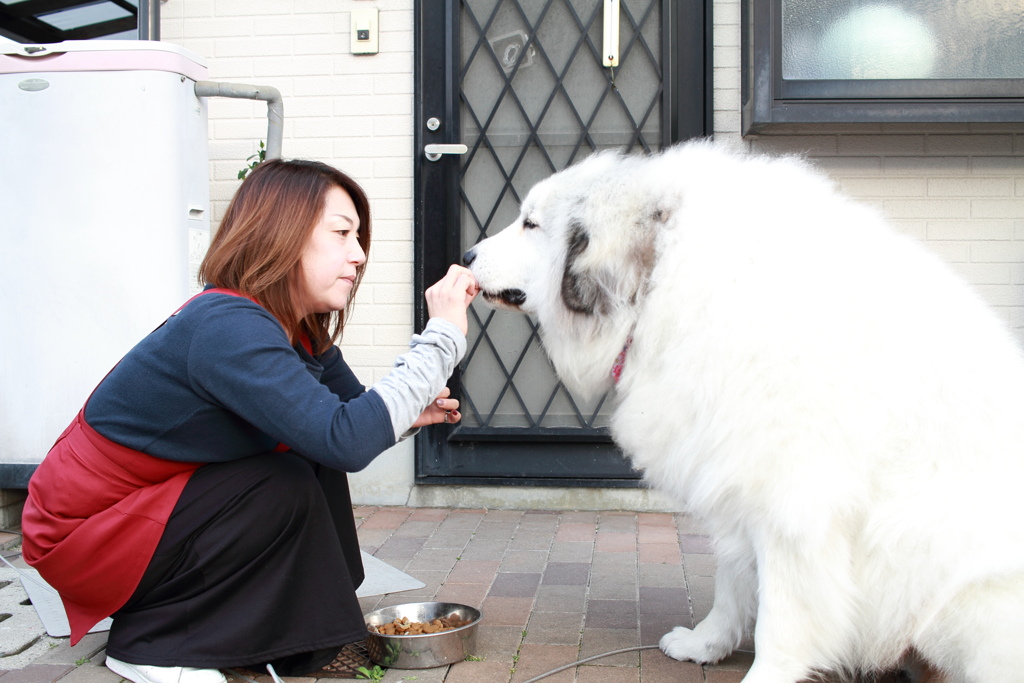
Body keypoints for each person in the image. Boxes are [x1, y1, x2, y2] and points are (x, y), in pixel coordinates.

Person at [20, 158, 479, 683]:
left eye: (359, 238)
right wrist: (441, 336)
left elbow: (345, 425)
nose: (358, 255)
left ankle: (281, 627)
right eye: (342, 234)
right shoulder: (228, 325)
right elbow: (347, 439)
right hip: (84, 531)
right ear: (281, 233)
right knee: (279, 480)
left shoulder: (297, 330)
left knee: (309, 456)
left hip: (148, 513)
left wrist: (405, 417)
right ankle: (156, 644)